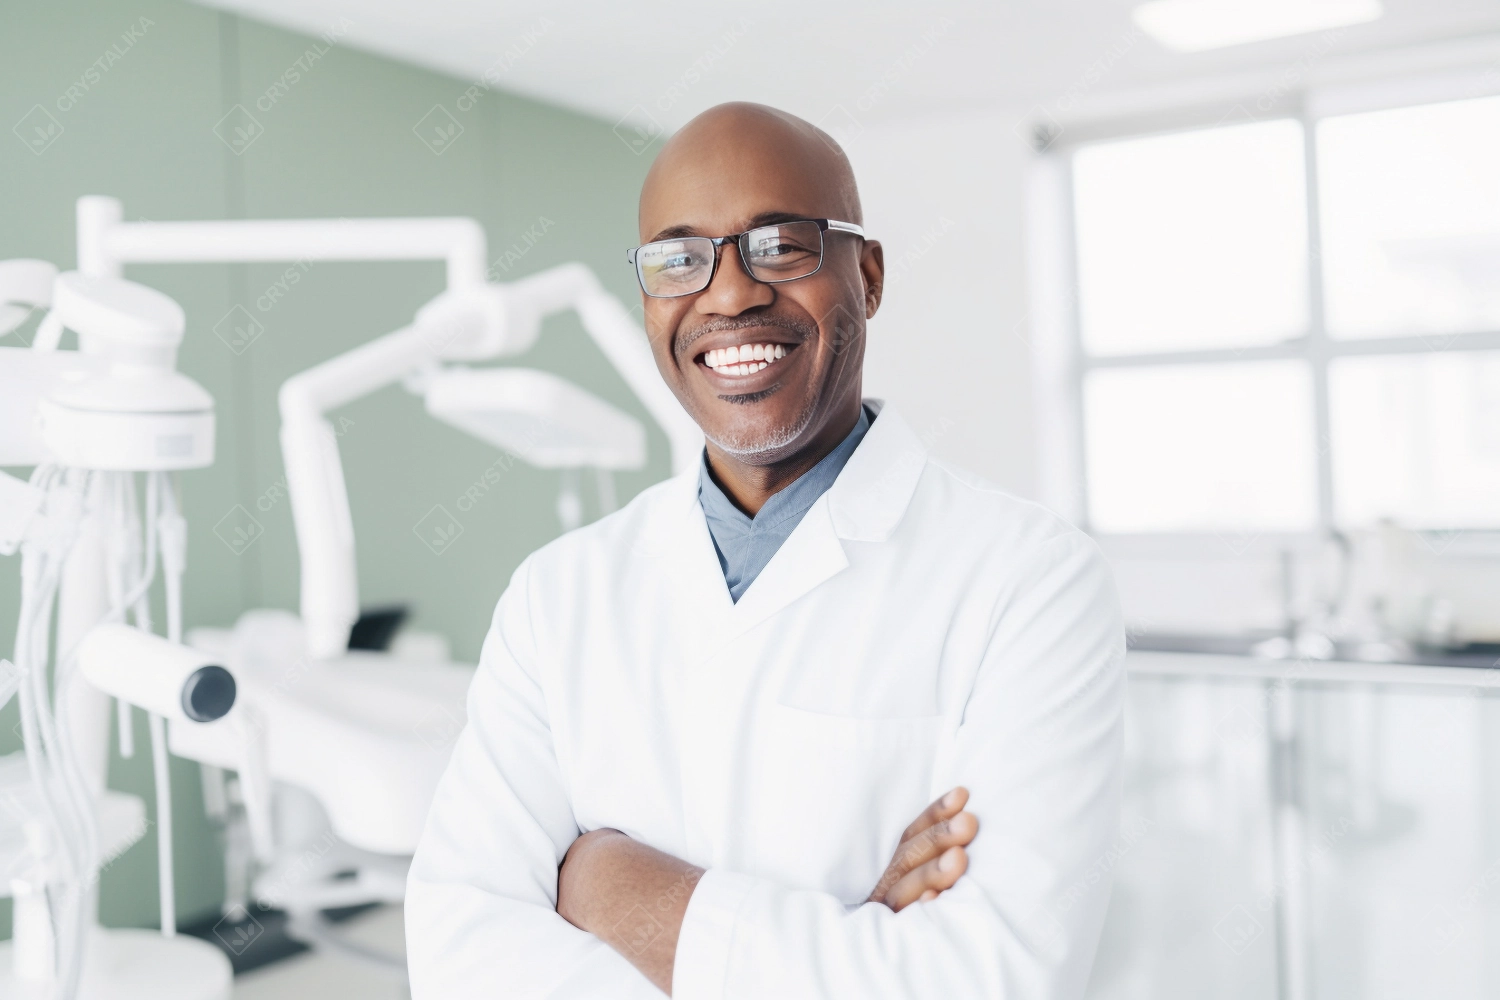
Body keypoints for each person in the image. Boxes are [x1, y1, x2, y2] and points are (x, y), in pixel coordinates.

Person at [405, 102, 1124, 999]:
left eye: (781, 245)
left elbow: (999, 979)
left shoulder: (1030, 583)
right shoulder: (558, 597)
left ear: (866, 276)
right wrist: (846, 943)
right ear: (647, 301)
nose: (732, 292)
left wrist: (613, 889)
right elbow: (459, 956)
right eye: (679, 259)